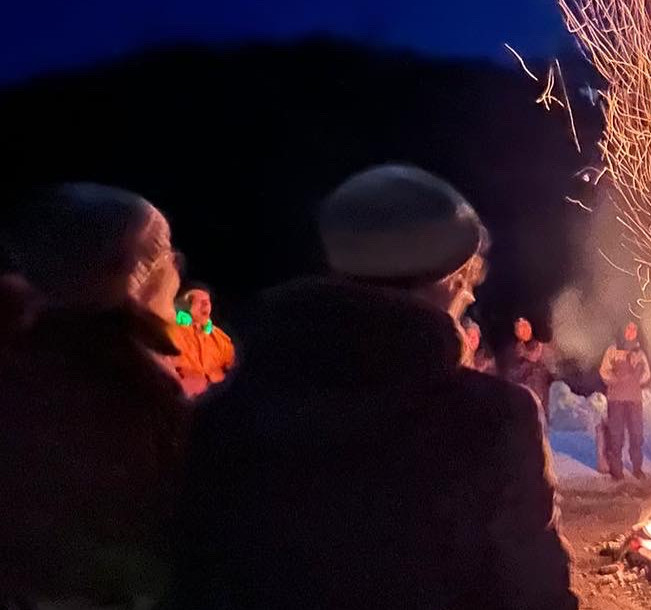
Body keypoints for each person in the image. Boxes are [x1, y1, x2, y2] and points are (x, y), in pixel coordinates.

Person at [172, 165, 576, 609]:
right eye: (466, 284)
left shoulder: (228, 415)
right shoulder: (492, 420)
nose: (472, 298)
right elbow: (537, 593)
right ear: (449, 280)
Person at [0, 184, 188, 608]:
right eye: (162, 254)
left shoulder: (13, 358)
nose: (175, 269)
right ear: (133, 273)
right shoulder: (125, 389)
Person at [599, 320, 651, 480]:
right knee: (616, 435)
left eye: (633, 329)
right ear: (622, 330)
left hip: (634, 400)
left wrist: (636, 378)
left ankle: (637, 468)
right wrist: (616, 378)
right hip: (616, 400)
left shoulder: (639, 353)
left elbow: (647, 375)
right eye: (628, 328)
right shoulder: (613, 350)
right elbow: (603, 371)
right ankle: (616, 470)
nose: (630, 332)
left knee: (636, 434)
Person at [169, 286, 236, 398]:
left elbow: (232, 367)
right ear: (184, 306)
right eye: (197, 301)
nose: (206, 304)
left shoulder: (220, 338)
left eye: (207, 301)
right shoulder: (171, 333)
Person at [506, 316, 556, 414]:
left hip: (544, 395)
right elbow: (512, 375)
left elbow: (553, 368)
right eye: (519, 329)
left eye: (525, 326)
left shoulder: (543, 346)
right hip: (526, 397)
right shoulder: (516, 353)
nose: (523, 330)